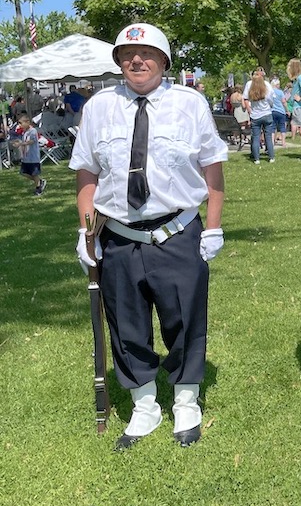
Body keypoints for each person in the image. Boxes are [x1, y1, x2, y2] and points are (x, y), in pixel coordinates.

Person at [69, 22, 227, 451]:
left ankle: (186, 399)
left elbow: (212, 169)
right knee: (126, 324)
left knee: (184, 319)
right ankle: (144, 404)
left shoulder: (189, 104)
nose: (136, 60)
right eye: (127, 55)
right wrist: (86, 232)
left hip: (177, 232)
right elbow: (87, 173)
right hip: (118, 236)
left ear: (164, 61)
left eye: (146, 54)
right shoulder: (99, 107)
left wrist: (213, 227)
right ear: (119, 62)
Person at [243, 68, 275, 164]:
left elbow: (245, 99)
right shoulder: (266, 86)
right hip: (267, 113)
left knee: (256, 138)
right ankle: (271, 157)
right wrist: (270, 106)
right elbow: (271, 100)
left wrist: (250, 111)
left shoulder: (250, 87)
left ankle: (256, 159)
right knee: (268, 137)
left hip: (255, 115)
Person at [12, 114, 46, 195]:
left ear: (27, 122)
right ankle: (40, 181)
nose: (20, 125)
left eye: (21, 123)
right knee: (23, 172)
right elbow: (24, 141)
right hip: (26, 157)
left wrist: (21, 144)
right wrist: (18, 143)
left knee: (34, 174)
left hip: (33, 157)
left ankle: (38, 188)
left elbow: (31, 141)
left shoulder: (33, 131)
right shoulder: (25, 132)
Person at [269, 77, 289, 147]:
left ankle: (272, 142)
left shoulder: (270, 92)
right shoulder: (280, 92)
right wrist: (287, 110)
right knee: (282, 127)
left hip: (272, 111)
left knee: (273, 127)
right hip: (281, 111)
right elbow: (284, 102)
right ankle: (283, 142)